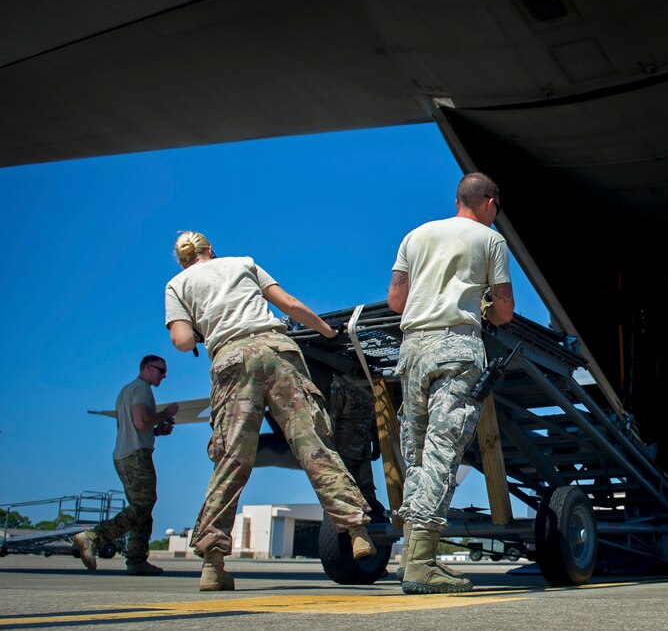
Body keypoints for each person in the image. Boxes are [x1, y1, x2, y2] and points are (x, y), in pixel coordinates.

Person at [164, 231, 374, 591]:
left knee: (231, 459)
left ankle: (213, 564)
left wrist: (203, 328)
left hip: (230, 360)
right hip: (278, 352)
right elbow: (289, 304)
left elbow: (182, 341)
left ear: (182, 260)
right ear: (210, 249)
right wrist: (326, 331)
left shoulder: (176, 285)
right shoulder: (242, 263)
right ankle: (357, 531)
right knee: (313, 444)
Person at [388, 171, 514, 594]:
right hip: (456, 348)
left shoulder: (415, 235)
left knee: (418, 455)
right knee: (443, 453)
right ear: (490, 203)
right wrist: (482, 306)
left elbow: (396, 301)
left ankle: (411, 556)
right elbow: (504, 310)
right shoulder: (490, 240)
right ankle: (422, 564)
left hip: (412, 350)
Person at [73, 357, 179, 575]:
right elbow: (141, 421)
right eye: (161, 371)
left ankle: (136, 560)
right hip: (136, 455)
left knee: (143, 507)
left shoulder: (126, 391)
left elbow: (137, 426)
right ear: (147, 368)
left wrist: (157, 431)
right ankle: (93, 537)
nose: (164, 375)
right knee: (142, 505)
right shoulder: (142, 389)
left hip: (123, 454)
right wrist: (165, 414)